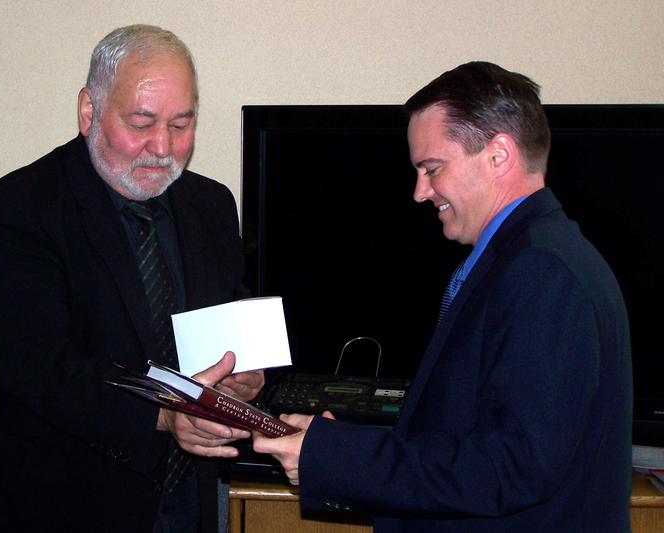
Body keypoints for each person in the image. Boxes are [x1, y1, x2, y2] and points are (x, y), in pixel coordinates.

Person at [254, 61, 632, 532]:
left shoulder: (542, 273)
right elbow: (466, 436)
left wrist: (335, 457)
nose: (420, 191)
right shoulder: (533, 258)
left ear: (499, 155)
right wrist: (338, 444)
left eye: (432, 169)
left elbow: (509, 466)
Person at [0, 25, 263, 532]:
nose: (163, 146)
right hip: (53, 502)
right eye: (142, 122)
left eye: (181, 123)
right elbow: (39, 363)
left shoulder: (212, 204)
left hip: (182, 500)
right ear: (89, 111)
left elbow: (229, 316)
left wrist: (247, 374)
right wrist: (165, 416)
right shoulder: (17, 208)